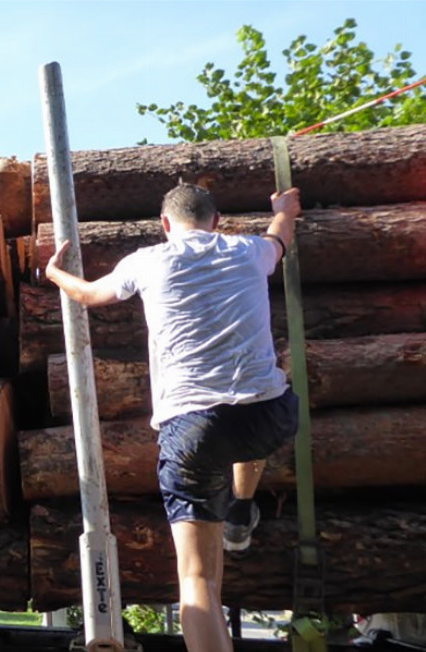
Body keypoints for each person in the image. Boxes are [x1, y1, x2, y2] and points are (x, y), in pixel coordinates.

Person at [44, 184, 302, 652]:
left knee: (197, 579)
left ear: (165, 226)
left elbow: (88, 295)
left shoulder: (147, 261)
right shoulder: (248, 251)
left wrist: (54, 272)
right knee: (262, 408)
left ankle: (237, 511)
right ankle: (240, 507)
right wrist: (283, 209)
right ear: (217, 220)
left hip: (193, 429)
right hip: (269, 415)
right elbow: (279, 237)